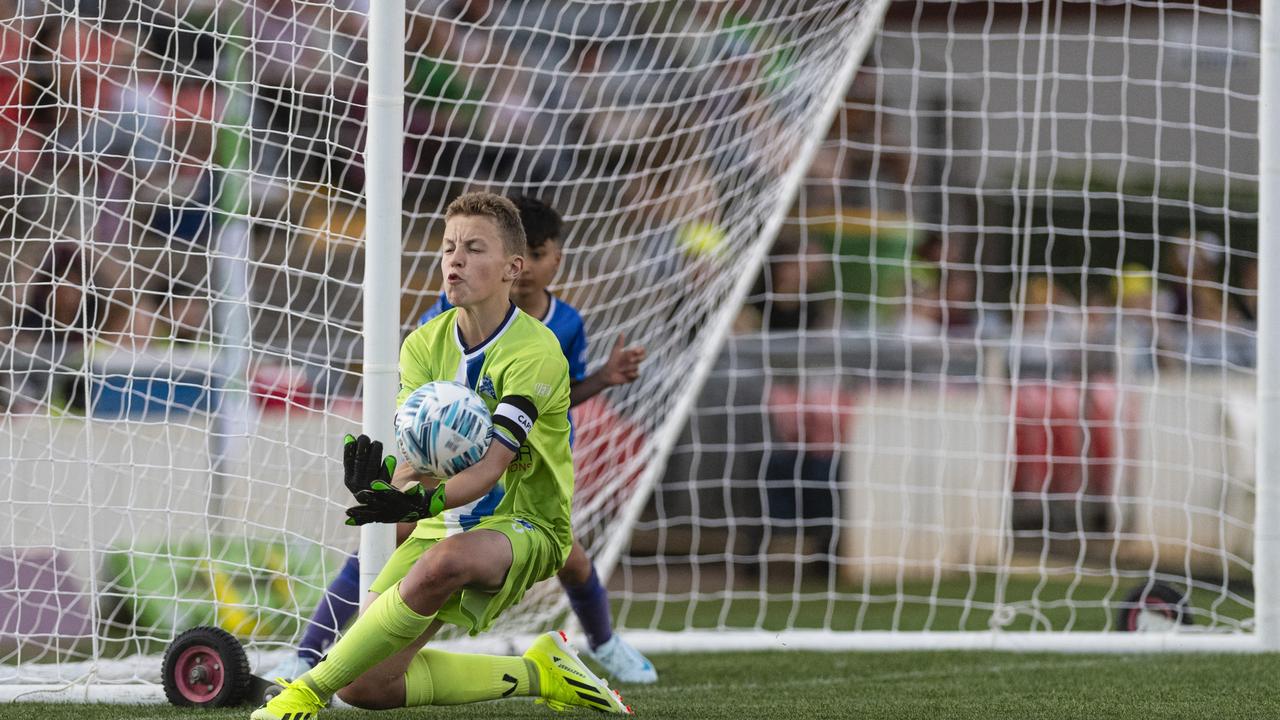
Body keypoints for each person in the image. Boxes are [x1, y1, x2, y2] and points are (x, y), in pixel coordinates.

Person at [253, 192, 632, 719]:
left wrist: (412, 508)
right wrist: (389, 492)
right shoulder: (422, 346)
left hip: (527, 523)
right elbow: (417, 459)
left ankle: (305, 691)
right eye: (449, 246)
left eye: (474, 248)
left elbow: (491, 467)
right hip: (443, 520)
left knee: (445, 561)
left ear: (511, 268)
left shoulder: (536, 350)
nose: (454, 259)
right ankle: (539, 671)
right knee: (366, 686)